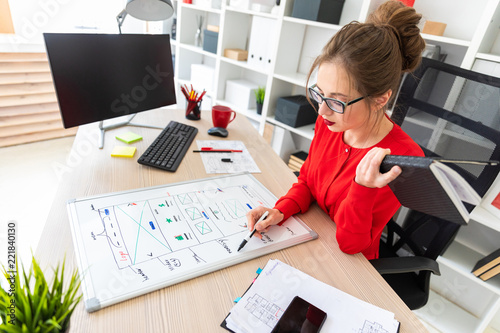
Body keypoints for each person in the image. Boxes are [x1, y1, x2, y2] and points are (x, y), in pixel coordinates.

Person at [246, 0, 426, 260]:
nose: (321, 111)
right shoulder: (329, 122)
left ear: (380, 99)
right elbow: (308, 181)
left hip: (351, 265)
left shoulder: (403, 158)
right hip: (313, 238)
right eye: (320, 94)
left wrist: (363, 187)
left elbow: (351, 244)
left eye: (337, 101)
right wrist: (281, 210)